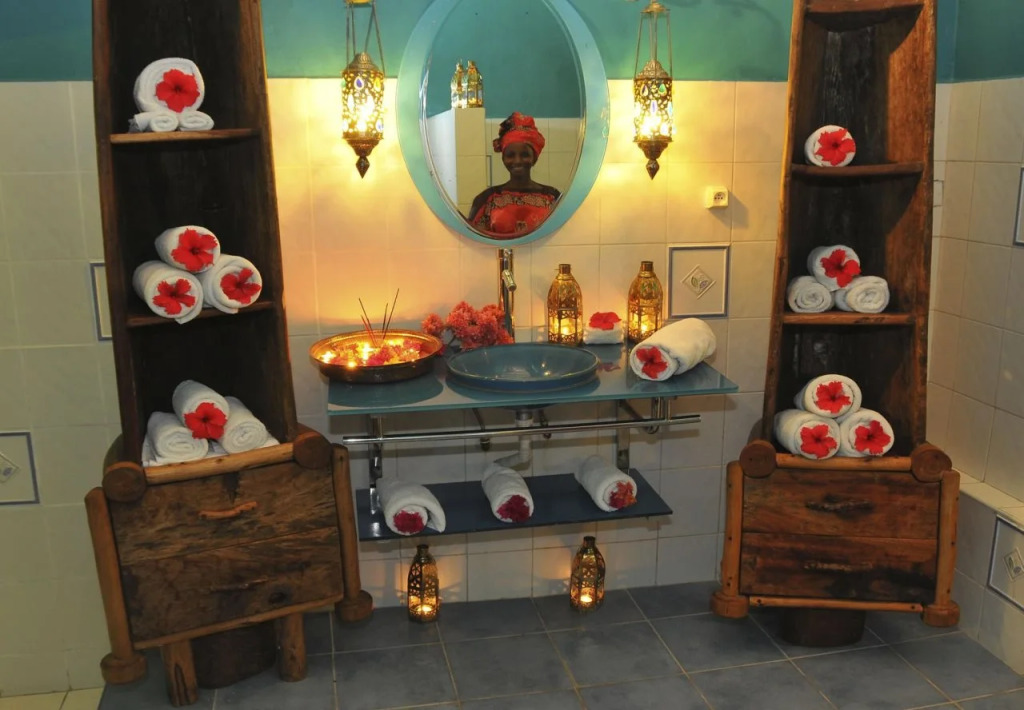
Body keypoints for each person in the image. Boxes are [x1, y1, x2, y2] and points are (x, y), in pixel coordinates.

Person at [468, 112, 561, 237]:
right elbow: (474, 241)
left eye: (524, 155)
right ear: (503, 159)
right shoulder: (486, 199)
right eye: (510, 155)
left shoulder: (552, 197)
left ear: (534, 158)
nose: (517, 161)